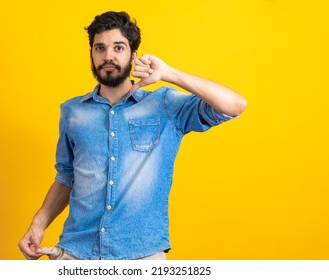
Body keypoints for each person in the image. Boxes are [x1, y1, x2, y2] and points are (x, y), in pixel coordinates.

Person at [18, 11, 247, 260]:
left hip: (142, 254)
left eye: (118, 47)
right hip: (77, 251)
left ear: (133, 55)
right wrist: (38, 223)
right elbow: (66, 176)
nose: (108, 56)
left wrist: (169, 73)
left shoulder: (165, 105)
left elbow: (234, 105)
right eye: (100, 48)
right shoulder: (72, 111)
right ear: (91, 54)